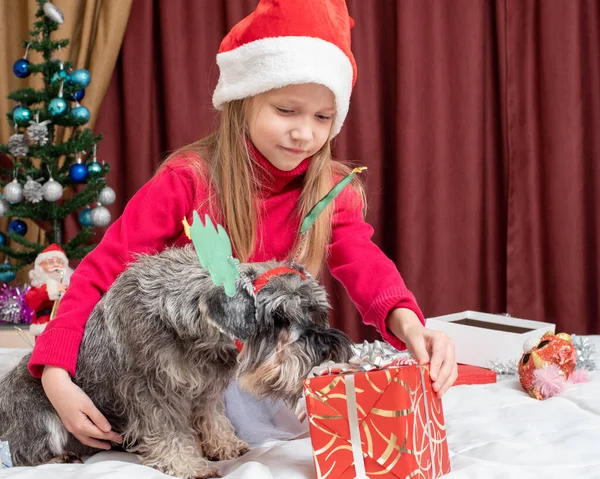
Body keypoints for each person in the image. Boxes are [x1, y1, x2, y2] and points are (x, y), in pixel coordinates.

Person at [28, 0, 457, 452]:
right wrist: (56, 372)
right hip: (177, 375)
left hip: (256, 371)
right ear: (242, 100)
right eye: (286, 110)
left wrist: (411, 327)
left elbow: (365, 263)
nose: (304, 134)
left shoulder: (331, 189)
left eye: (322, 117)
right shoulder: (187, 180)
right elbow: (102, 270)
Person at [25, 244, 73, 338]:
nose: (56, 265)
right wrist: (50, 289)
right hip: (43, 324)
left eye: (59, 262)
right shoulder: (38, 286)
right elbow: (30, 300)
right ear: (40, 267)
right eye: (50, 262)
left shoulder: (69, 284)